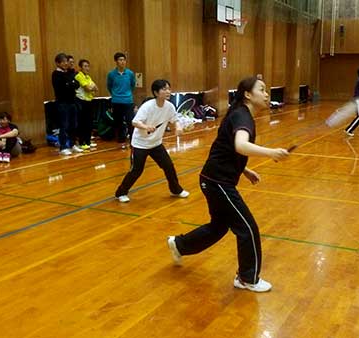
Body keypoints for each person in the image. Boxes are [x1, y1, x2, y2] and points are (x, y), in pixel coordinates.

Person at [167, 77, 290, 293]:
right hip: (218, 182)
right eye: (262, 90)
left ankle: (179, 245)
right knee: (248, 227)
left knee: (219, 227)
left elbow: (225, 148)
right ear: (248, 95)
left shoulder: (240, 114)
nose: (267, 93)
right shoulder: (242, 115)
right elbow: (240, 145)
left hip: (213, 179)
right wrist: (271, 153)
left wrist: (244, 170)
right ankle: (246, 278)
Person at [114, 79, 189, 203]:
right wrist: (146, 127)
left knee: (168, 166)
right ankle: (120, 193)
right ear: (156, 92)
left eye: (169, 88)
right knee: (136, 171)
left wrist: (178, 127)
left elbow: (174, 119)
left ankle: (176, 190)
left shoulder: (169, 106)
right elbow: (134, 122)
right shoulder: (148, 106)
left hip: (156, 144)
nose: (168, 91)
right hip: (140, 144)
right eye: (164, 89)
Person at [52, 53, 82, 155]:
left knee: (73, 125)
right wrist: (70, 83)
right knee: (63, 125)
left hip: (72, 102)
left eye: (66, 61)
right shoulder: (56, 74)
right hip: (62, 103)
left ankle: (73, 144)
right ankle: (63, 146)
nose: (65, 64)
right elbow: (62, 87)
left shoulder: (69, 72)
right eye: (63, 62)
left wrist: (70, 83)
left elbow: (77, 84)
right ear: (57, 63)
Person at [107, 52, 136, 144]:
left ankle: (133, 138)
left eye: (124, 60)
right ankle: (121, 138)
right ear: (116, 61)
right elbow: (109, 86)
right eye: (120, 60)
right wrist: (115, 94)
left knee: (130, 120)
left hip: (128, 101)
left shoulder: (130, 73)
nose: (122, 62)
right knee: (118, 122)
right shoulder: (111, 74)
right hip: (116, 101)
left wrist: (127, 94)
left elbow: (132, 85)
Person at [75, 59, 98, 150]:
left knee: (89, 122)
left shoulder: (88, 77)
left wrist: (91, 88)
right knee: (82, 123)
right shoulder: (79, 76)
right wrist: (91, 87)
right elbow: (88, 88)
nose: (87, 68)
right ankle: (82, 142)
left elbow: (96, 88)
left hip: (89, 101)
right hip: (81, 102)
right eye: (85, 66)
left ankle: (88, 141)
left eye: (88, 66)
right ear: (80, 67)